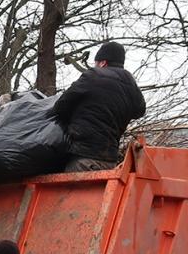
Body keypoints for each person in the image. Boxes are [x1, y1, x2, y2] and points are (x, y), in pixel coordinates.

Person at [51, 41, 147, 172]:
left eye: (96, 63)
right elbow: (140, 111)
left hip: (83, 157)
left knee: (69, 192)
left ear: (103, 62)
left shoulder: (93, 75)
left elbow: (60, 106)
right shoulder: (130, 82)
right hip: (109, 161)